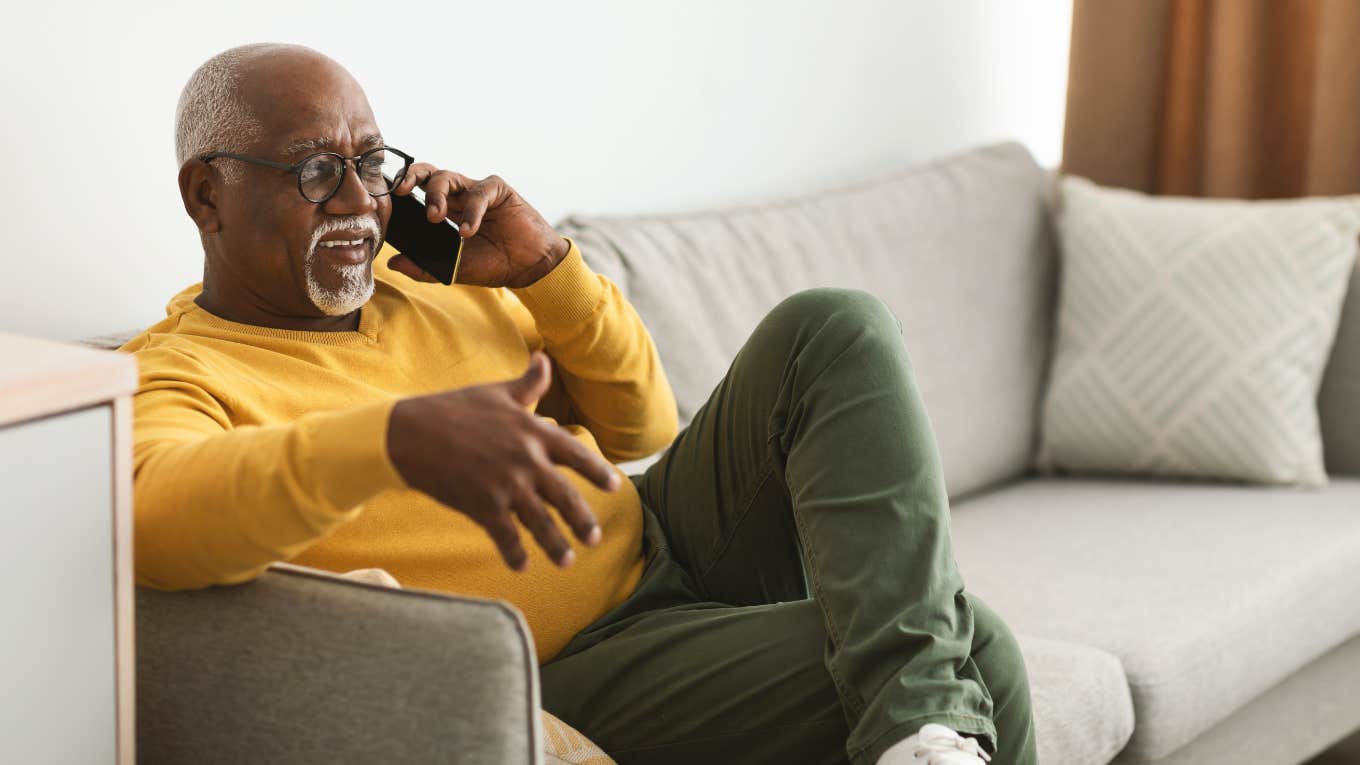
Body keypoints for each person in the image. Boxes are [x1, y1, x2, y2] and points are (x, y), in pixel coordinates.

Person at [124, 42, 1038, 765]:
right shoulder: (180, 372)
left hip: (668, 539)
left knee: (833, 325)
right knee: (972, 651)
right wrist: (397, 440)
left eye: (370, 160)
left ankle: (921, 735)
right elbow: (160, 516)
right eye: (317, 170)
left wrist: (545, 268)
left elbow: (643, 426)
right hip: (574, 665)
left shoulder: (435, 278)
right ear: (208, 193)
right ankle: (925, 727)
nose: (361, 200)